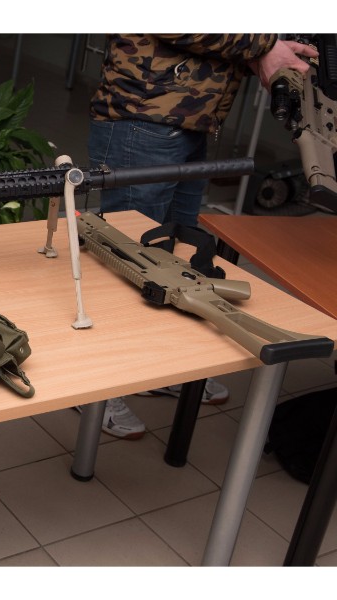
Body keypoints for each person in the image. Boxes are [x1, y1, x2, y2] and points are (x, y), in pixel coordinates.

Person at [84, 34, 317, 440]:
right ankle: (95, 388)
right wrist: (263, 46)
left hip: (187, 119)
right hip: (144, 116)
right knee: (125, 262)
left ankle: (153, 369)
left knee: (174, 263)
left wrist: (265, 55)